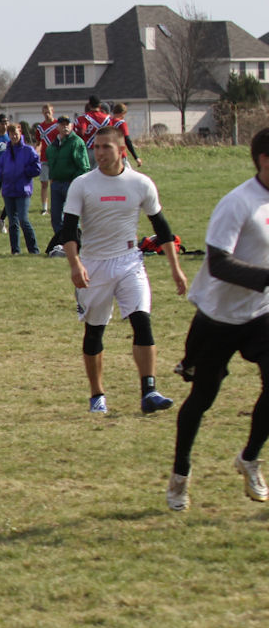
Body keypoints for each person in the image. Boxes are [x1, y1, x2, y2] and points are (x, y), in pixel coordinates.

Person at [166, 128, 269, 511]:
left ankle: (249, 458)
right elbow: (218, 263)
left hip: (261, 313)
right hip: (218, 318)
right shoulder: (238, 202)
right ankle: (180, 475)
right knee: (202, 398)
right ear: (264, 160)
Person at [61, 125, 187, 415]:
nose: (100, 152)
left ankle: (149, 391)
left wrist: (176, 269)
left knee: (142, 321)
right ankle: (97, 395)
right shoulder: (82, 184)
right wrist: (75, 264)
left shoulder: (140, 183)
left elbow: (162, 229)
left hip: (130, 261)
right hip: (93, 265)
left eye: (106, 147)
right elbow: (68, 230)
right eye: (96, 147)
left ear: (121, 151)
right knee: (95, 332)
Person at [44, 114, 91, 255]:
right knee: (56, 217)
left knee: (72, 216)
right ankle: (61, 243)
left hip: (70, 183)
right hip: (56, 184)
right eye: (62, 124)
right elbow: (51, 162)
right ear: (57, 126)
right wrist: (52, 177)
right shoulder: (54, 145)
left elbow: (84, 166)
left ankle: (75, 243)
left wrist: (74, 182)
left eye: (67, 124)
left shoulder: (76, 142)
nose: (65, 127)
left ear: (71, 126)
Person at [0, 122, 42, 255]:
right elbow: (0, 168)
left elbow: (37, 167)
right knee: (12, 222)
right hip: (8, 190)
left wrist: (25, 172)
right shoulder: (6, 153)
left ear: (20, 133)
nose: (14, 137)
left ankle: (33, 249)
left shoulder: (28, 151)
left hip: (23, 190)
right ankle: (15, 250)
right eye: (11, 134)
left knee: (23, 219)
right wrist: (2, 175)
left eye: (16, 134)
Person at [34, 104, 59, 214]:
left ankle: (54, 206)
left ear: (53, 111)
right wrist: (35, 152)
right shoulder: (40, 127)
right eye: (44, 112)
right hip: (44, 158)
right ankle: (44, 208)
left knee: (54, 184)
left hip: (56, 159)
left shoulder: (58, 125)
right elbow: (38, 142)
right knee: (44, 183)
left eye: (48, 112)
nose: (46, 114)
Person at [110, 102, 143, 168]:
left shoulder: (107, 121)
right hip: (120, 153)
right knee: (128, 173)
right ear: (122, 113)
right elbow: (127, 140)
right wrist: (136, 157)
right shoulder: (121, 123)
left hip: (108, 153)